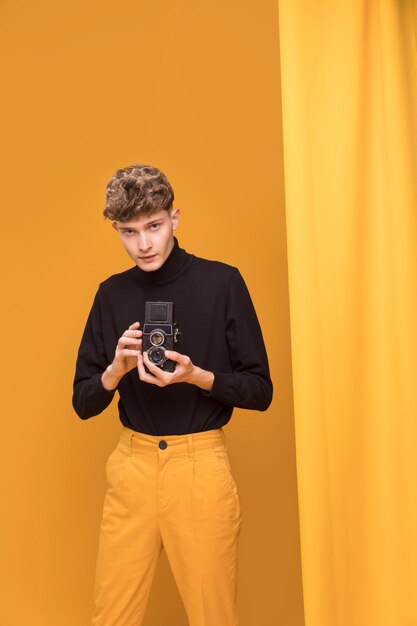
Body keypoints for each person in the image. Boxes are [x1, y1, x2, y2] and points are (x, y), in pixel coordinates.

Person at [72, 163, 273, 626]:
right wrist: (115, 371)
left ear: (175, 218)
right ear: (116, 230)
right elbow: (83, 402)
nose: (143, 244)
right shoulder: (111, 294)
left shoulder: (223, 282)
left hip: (200, 466)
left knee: (212, 615)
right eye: (128, 232)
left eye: (154, 227)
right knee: (111, 616)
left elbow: (261, 390)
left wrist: (197, 375)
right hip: (132, 465)